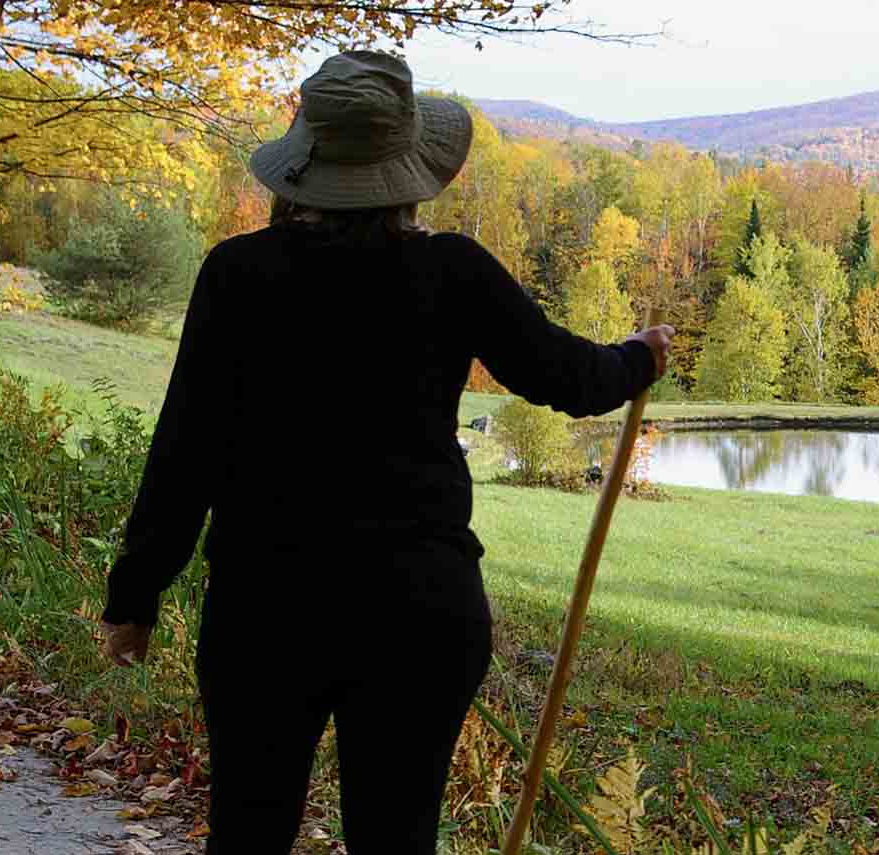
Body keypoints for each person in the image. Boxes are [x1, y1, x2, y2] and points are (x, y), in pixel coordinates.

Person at [96, 51, 672, 854]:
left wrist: (134, 594)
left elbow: (185, 449)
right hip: (417, 609)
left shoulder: (238, 274)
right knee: (396, 839)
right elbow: (571, 377)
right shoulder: (452, 273)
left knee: (247, 833)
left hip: (267, 608)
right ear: (406, 166)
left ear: (303, 159)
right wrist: (640, 356)